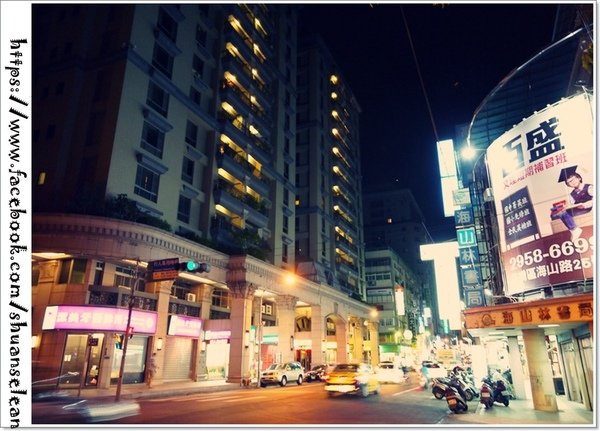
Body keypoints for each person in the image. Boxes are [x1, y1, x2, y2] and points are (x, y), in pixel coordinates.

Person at [552, 167, 593, 240]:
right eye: (569, 182)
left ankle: (574, 230)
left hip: (589, 208)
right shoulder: (572, 194)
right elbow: (573, 204)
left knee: (563, 213)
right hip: (578, 209)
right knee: (558, 213)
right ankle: (574, 230)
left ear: (579, 178)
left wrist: (585, 205)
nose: (572, 182)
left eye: (573, 179)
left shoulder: (589, 187)